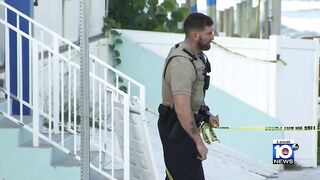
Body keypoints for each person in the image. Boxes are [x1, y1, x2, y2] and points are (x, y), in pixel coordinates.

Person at [157, 13, 220, 180]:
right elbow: (182, 108)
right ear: (195, 35)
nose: (212, 37)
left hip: (183, 127)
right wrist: (199, 142)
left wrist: (206, 114)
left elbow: (195, 93)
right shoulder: (182, 63)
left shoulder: (195, 55)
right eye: (209, 33)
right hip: (177, 129)